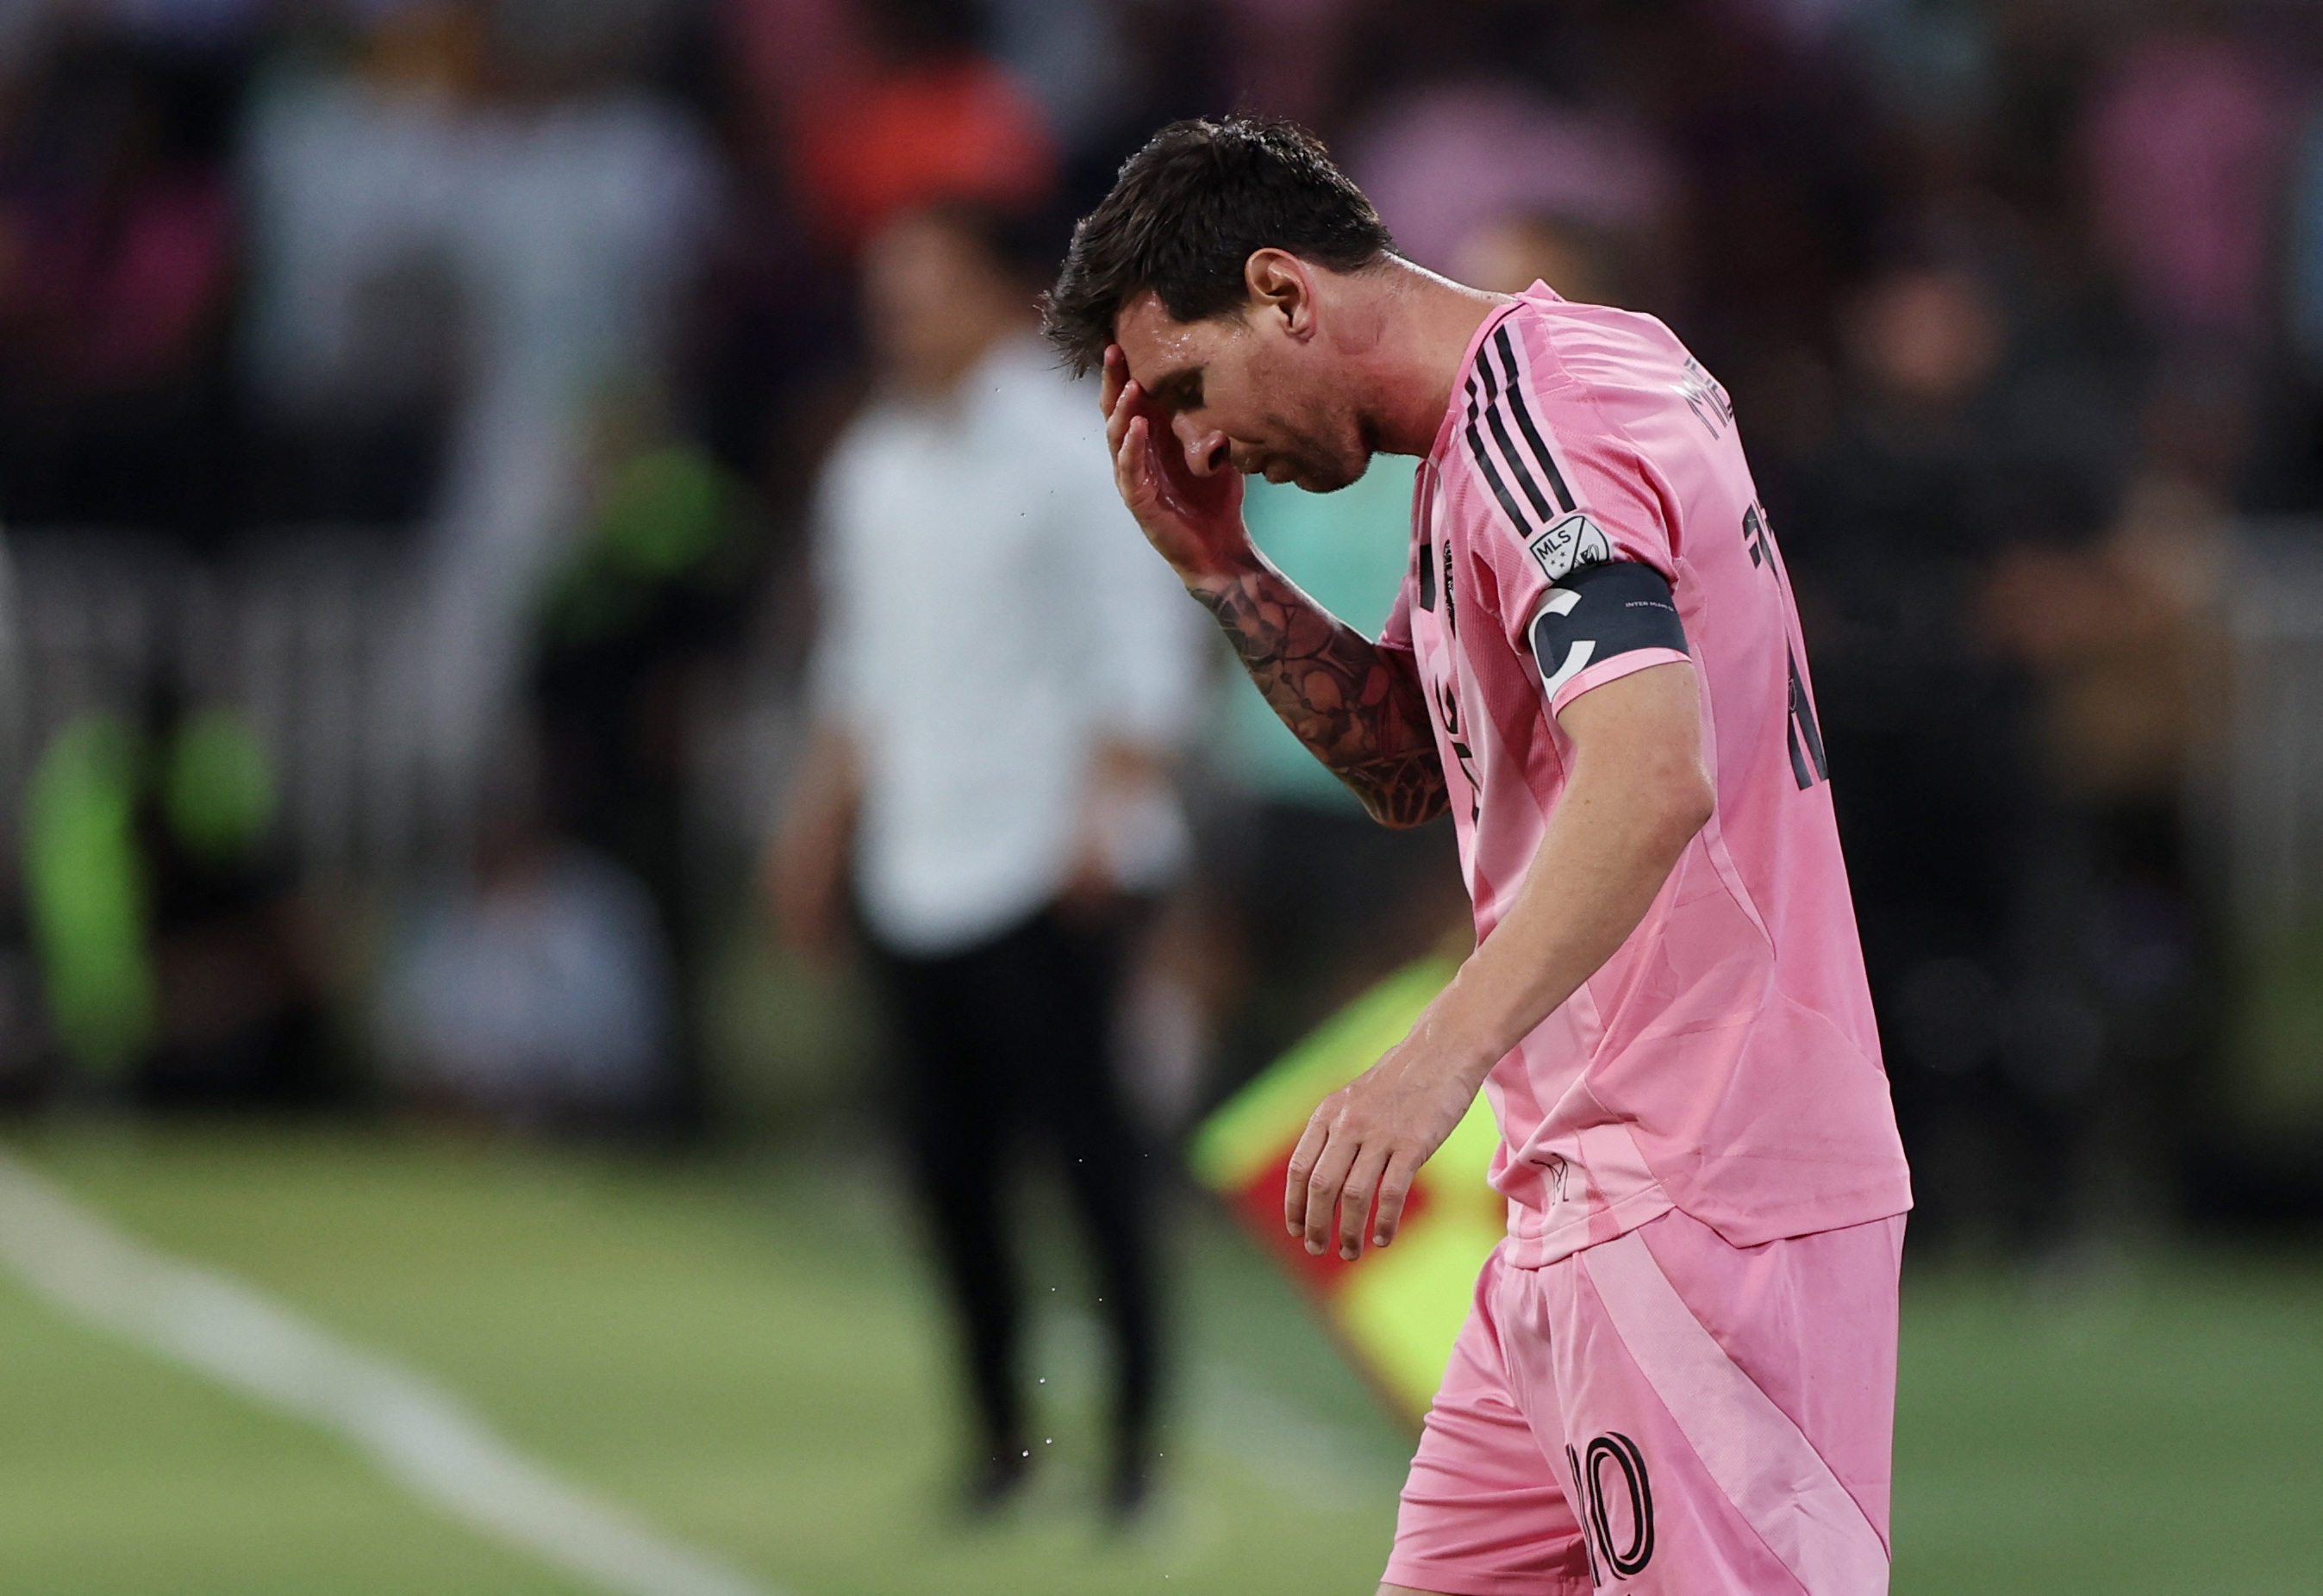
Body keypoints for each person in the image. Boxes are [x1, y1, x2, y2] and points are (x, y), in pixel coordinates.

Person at [1044, 118, 1912, 1595]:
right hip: (1583, 1188)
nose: (1196, 443)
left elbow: (1651, 773)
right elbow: (1415, 765)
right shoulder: (1522, 411)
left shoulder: (1540, 428)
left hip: (1701, 1191)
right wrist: (1227, 572)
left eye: (1189, 386)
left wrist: (1429, 1061)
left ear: (1285, 292)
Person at [766, 200, 1203, 1516]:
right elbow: (861, 673)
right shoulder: (873, 468)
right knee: (949, 1176)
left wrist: (1107, 822)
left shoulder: (1069, 449)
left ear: (1001, 297)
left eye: (926, 289)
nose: (900, 318)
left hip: (1047, 862)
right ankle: (1000, 1439)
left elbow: (1140, 640)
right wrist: (816, 826)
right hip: (918, 858)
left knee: (1091, 1168)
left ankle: (1134, 1446)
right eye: (886, 294)